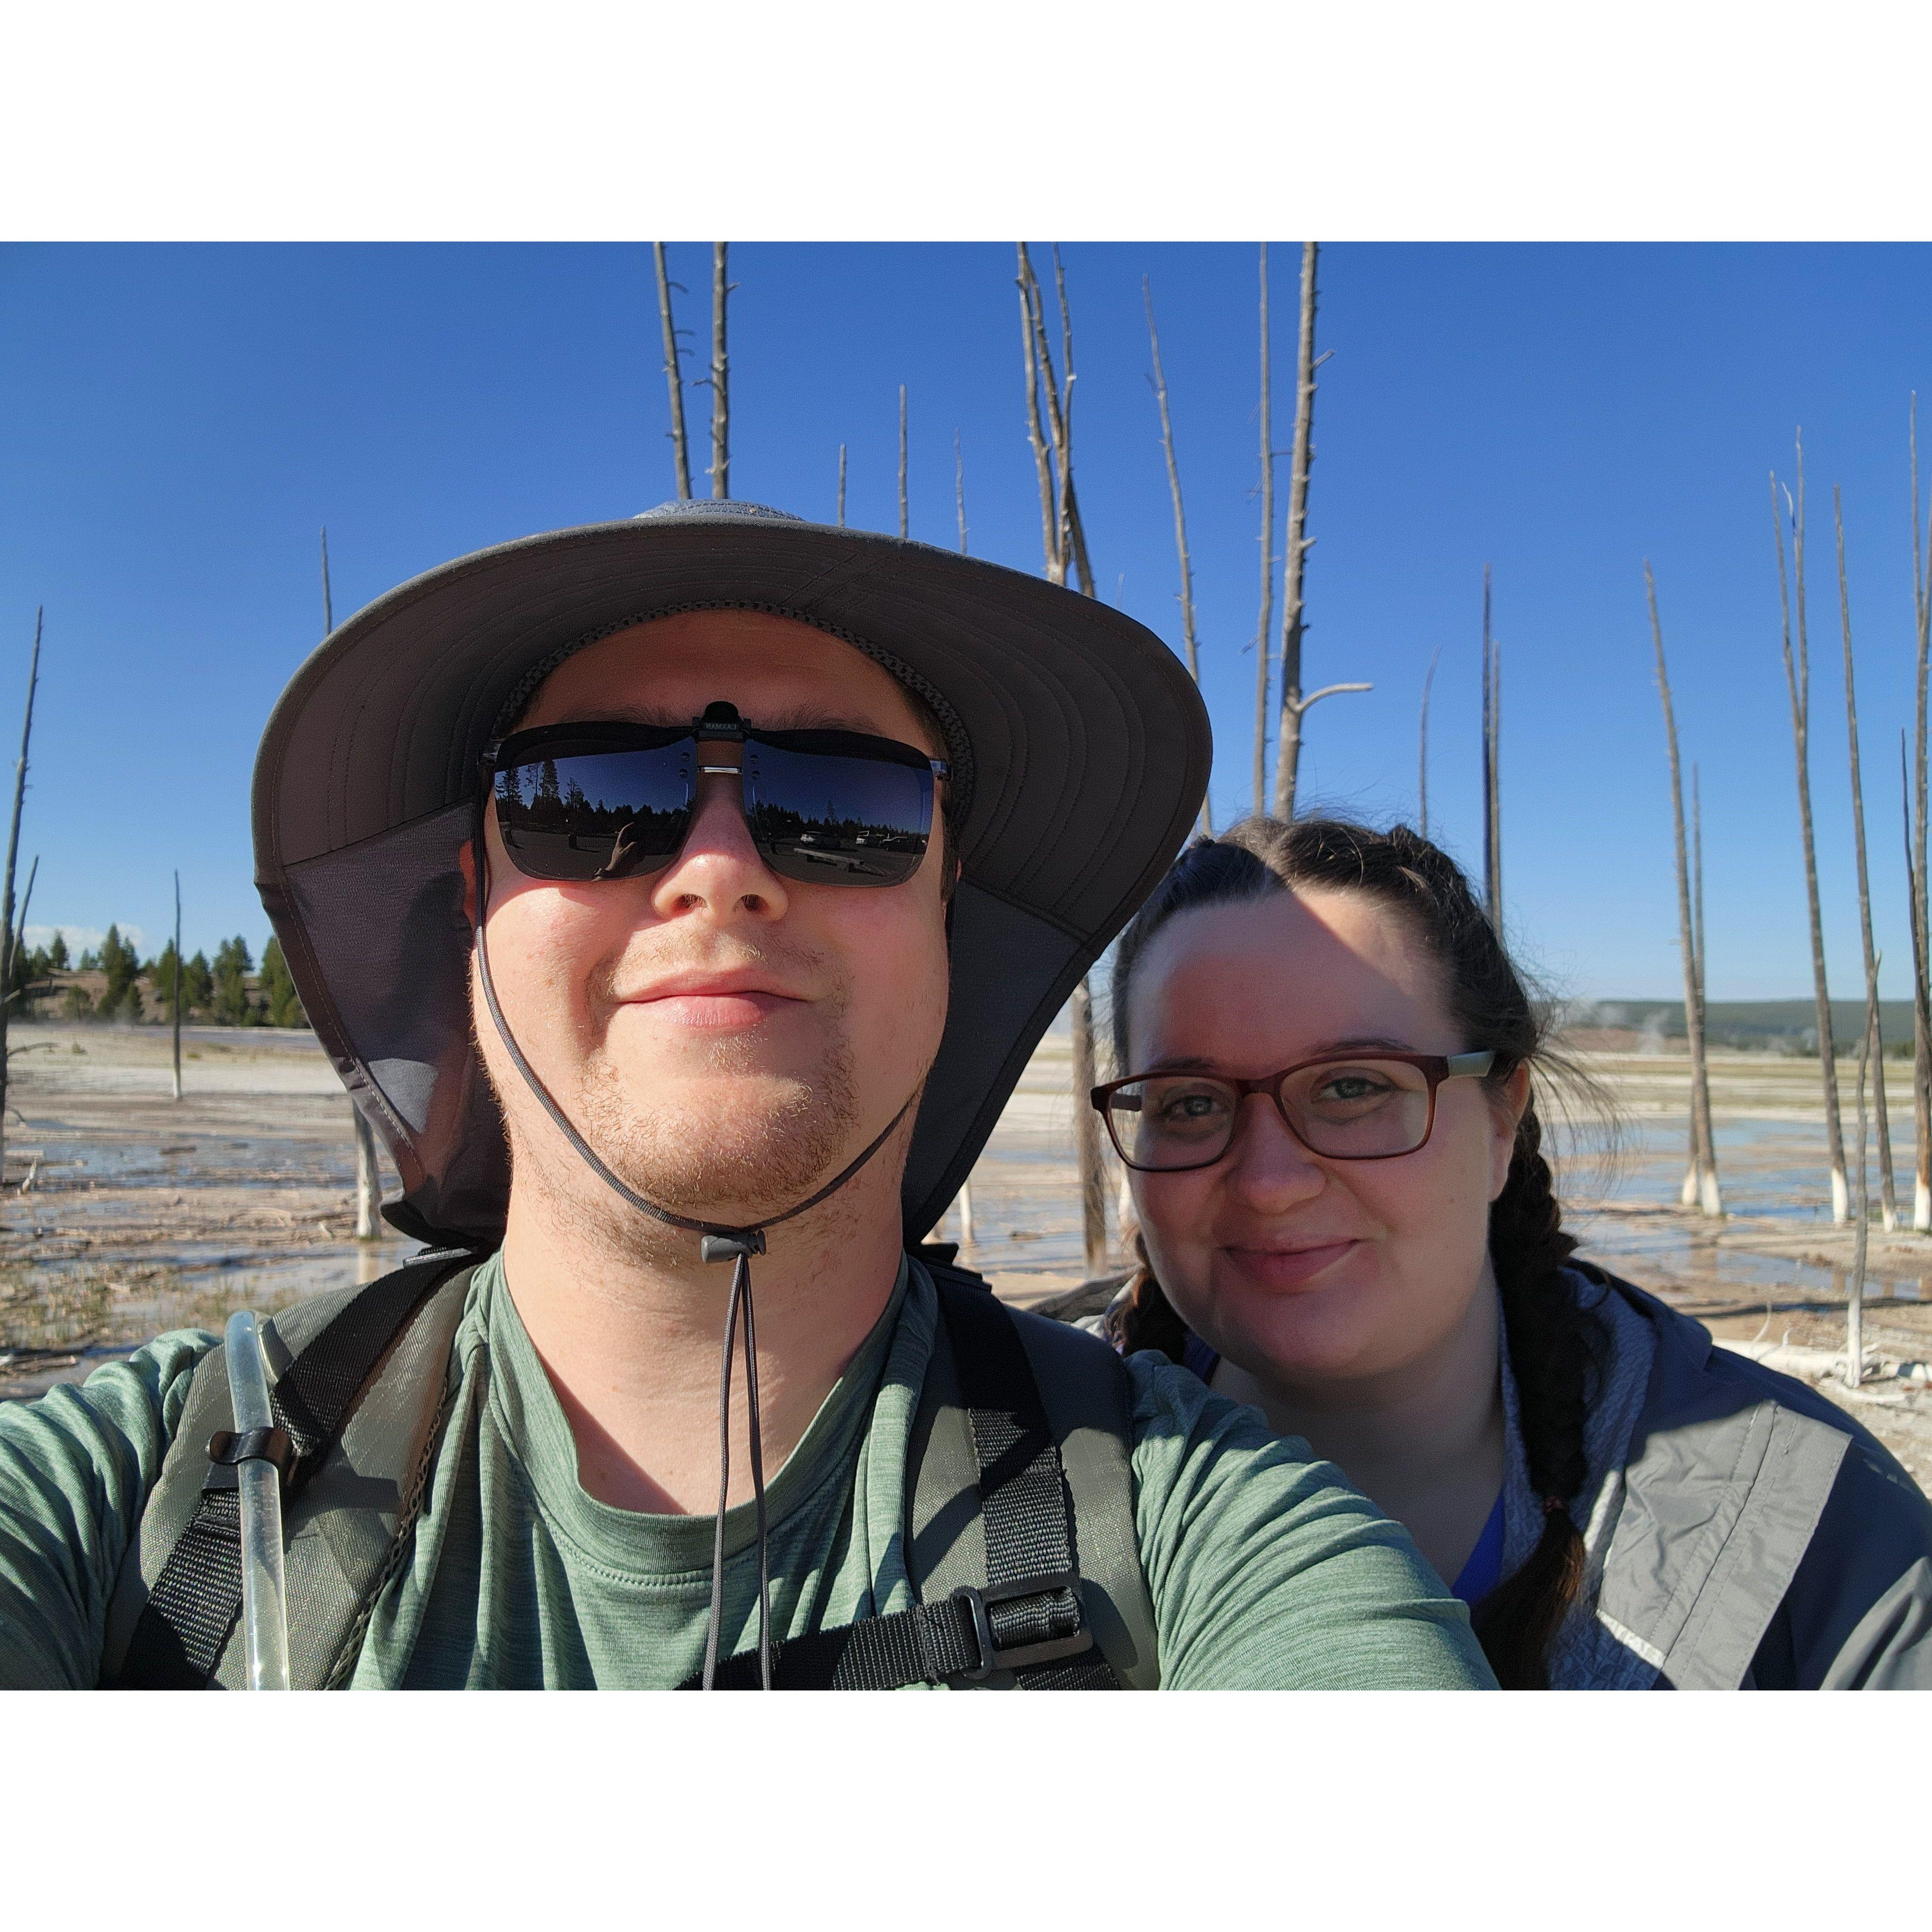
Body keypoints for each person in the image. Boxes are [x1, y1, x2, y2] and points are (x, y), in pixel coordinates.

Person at [0, 502, 1493, 1690]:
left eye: (843, 806)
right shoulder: (138, 1498)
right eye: (593, 797)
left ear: (945, 910)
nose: (719, 869)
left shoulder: (1197, 1529)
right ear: (474, 907)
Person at [1092, 813, 1932, 1689]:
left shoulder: (1811, 1531)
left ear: (1502, 1119)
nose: (1270, 1183)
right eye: (1191, 1103)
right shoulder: (1028, 1456)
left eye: (1352, 1086)